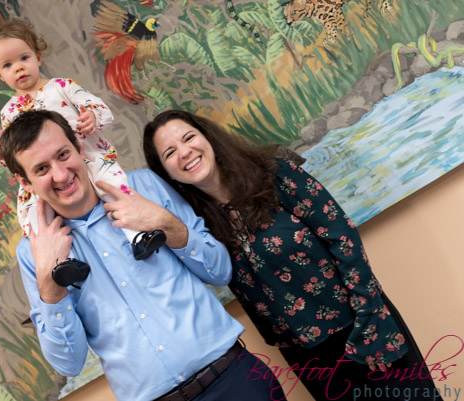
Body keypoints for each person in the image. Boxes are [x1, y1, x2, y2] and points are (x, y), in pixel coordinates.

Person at [143, 109, 442, 401]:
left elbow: (343, 239)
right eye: (170, 153)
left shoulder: (272, 173)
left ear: (208, 138)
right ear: (165, 172)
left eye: (188, 138)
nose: (184, 152)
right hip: (310, 359)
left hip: (360, 325)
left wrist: (369, 320)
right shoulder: (197, 228)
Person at [0, 110, 287, 401]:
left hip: (236, 380)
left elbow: (220, 271)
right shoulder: (32, 251)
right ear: (25, 182)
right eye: (41, 169)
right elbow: (68, 364)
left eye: (63, 155)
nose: (60, 175)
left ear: (78, 146)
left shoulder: (144, 187)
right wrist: (49, 284)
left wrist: (166, 224)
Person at [0, 20, 165, 271]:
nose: (19, 67)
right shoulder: (9, 112)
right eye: (8, 65)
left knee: (112, 183)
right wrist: (4, 155)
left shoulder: (61, 87)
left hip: (85, 155)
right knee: (35, 211)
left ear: (38, 57)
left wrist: (92, 116)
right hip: (47, 173)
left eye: (24, 58)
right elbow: (19, 156)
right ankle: (64, 262)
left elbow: (99, 108)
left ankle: (138, 235)